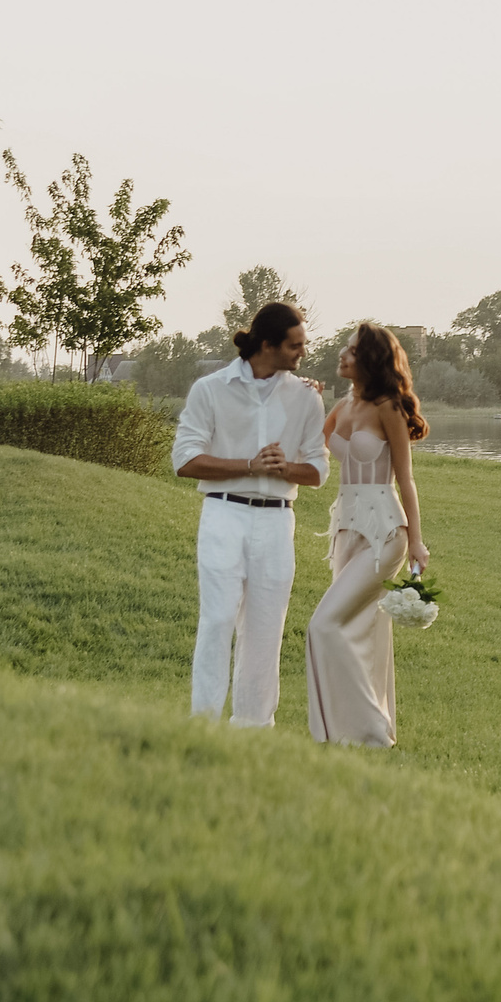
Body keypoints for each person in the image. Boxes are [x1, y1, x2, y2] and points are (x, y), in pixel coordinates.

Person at [172, 302, 328, 726]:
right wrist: (248, 465)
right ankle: (202, 724)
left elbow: (318, 470)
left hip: (278, 521)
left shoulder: (306, 397)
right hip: (224, 516)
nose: (302, 353)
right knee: (219, 618)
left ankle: (253, 729)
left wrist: (284, 468)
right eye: (295, 346)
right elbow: (184, 461)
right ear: (267, 344)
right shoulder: (210, 389)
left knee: (264, 629)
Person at [305, 322, 431, 747]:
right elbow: (313, 448)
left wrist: (416, 541)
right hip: (345, 530)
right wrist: (308, 399)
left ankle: (371, 730)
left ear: (370, 360)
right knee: (361, 628)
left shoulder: (388, 408)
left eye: (352, 349)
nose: (342, 353)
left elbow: (406, 479)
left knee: (323, 625)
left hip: (384, 534)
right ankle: (350, 732)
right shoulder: (342, 408)